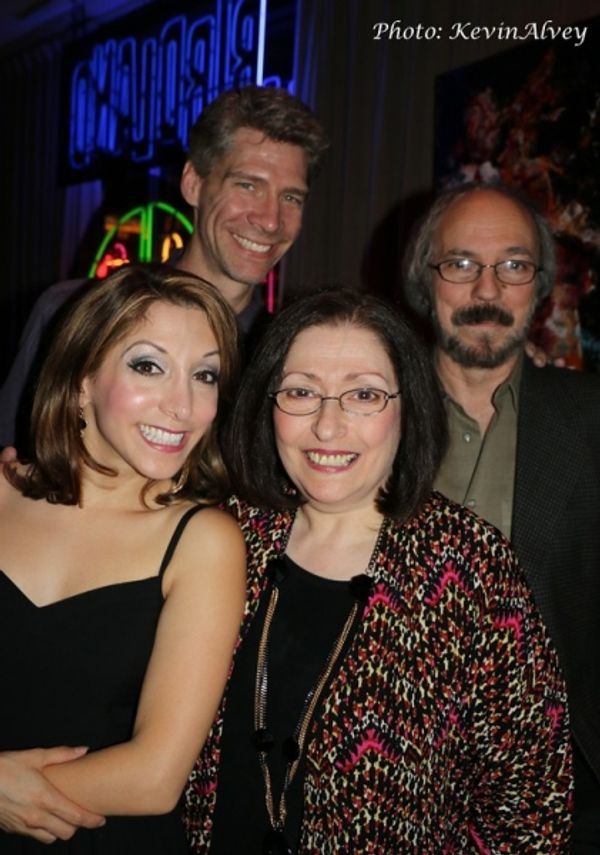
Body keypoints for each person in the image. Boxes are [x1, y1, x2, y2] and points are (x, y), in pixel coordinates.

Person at [183, 288, 572, 853]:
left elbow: (531, 803)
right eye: (300, 392)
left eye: (363, 395)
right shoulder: (224, 534)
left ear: (407, 406)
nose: (327, 426)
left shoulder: (470, 567)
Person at [0, 264, 246, 851]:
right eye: (148, 365)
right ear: (82, 378)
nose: (182, 406)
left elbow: (155, 778)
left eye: (205, 376)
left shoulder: (203, 540)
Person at [402, 181, 600, 852]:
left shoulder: (592, 418)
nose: (486, 288)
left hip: (568, 810)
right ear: (424, 280)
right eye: (460, 263)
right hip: (392, 794)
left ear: (539, 285)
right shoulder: (365, 420)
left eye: (513, 265)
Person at [0, 84, 328, 449]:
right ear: (193, 184)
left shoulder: (289, 358)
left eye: (291, 197)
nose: (270, 220)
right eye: (248, 185)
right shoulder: (71, 313)